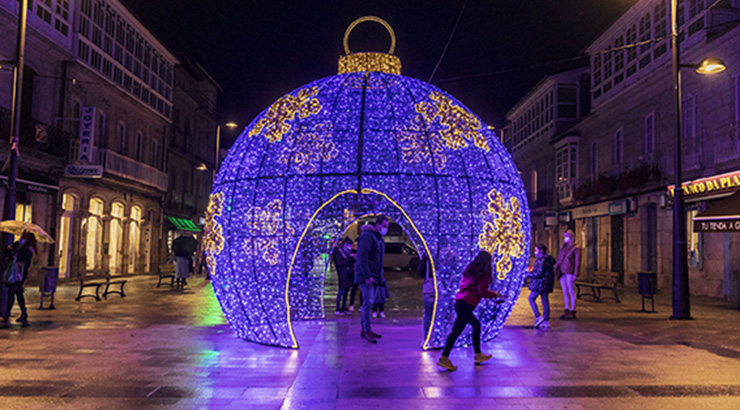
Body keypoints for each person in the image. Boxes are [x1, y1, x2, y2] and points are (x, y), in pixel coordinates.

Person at [437, 250, 505, 371]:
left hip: (460, 302)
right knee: (475, 326)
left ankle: (446, 357)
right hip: (467, 304)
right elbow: (482, 292)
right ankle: (475, 354)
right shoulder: (482, 274)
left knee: (457, 331)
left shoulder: (470, 270)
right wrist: (495, 295)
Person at [354, 215, 389, 344]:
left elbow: (377, 260)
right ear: (378, 224)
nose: (385, 229)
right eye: (384, 226)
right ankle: (367, 330)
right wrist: (367, 275)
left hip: (373, 276)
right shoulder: (368, 236)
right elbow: (363, 257)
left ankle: (366, 329)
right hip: (367, 277)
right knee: (368, 304)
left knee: (368, 303)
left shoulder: (378, 238)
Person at [2, 232, 36, 328]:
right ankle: (20, 312)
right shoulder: (18, 245)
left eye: (24, 237)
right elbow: (8, 254)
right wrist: (10, 248)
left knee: (14, 292)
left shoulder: (28, 249)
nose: (22, 238)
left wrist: (17, 251)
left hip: (19, 273)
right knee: (15, 292)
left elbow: (25, 261)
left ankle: (10, 313)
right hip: (13, 271)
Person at [527, 243, 555, 329]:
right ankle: (546, 320)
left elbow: (539, 273)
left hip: (540, 283)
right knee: (545, 301)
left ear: (541, 251)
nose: (535, 252)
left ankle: (538, 316)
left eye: (536, 250)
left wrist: (527, 274)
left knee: (531, 298)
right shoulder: (548, 260)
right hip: (546, 283)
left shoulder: (541, 260)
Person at [555, 230, 580, 320]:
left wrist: (575, 273)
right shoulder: (563, 247)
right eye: (564, 236)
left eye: (567, 236)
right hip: (562, 271)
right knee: (564, 291)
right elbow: (559, 258)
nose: (565, 238)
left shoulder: (575, 248)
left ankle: (572, 309)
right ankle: (566, 308)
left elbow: (577, 261)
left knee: (571, 291)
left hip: (570, 271)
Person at [331, 238, 355, 315]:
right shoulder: (338, 252)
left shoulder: (347, 252)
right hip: (342, 273)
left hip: (348, 273)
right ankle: (338, 308)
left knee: (346, 291)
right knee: (341, 291)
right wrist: (350, 258)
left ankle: (344, 307)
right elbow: (339, 263)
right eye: (348, 245)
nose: (349, 247)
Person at [417, 253, 435, 338]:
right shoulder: (449, 255)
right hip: (444, 288)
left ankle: (427, 338)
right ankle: (438, 339)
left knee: (428, 314)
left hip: (430, 289)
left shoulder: (427, 255)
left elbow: (420, 272)